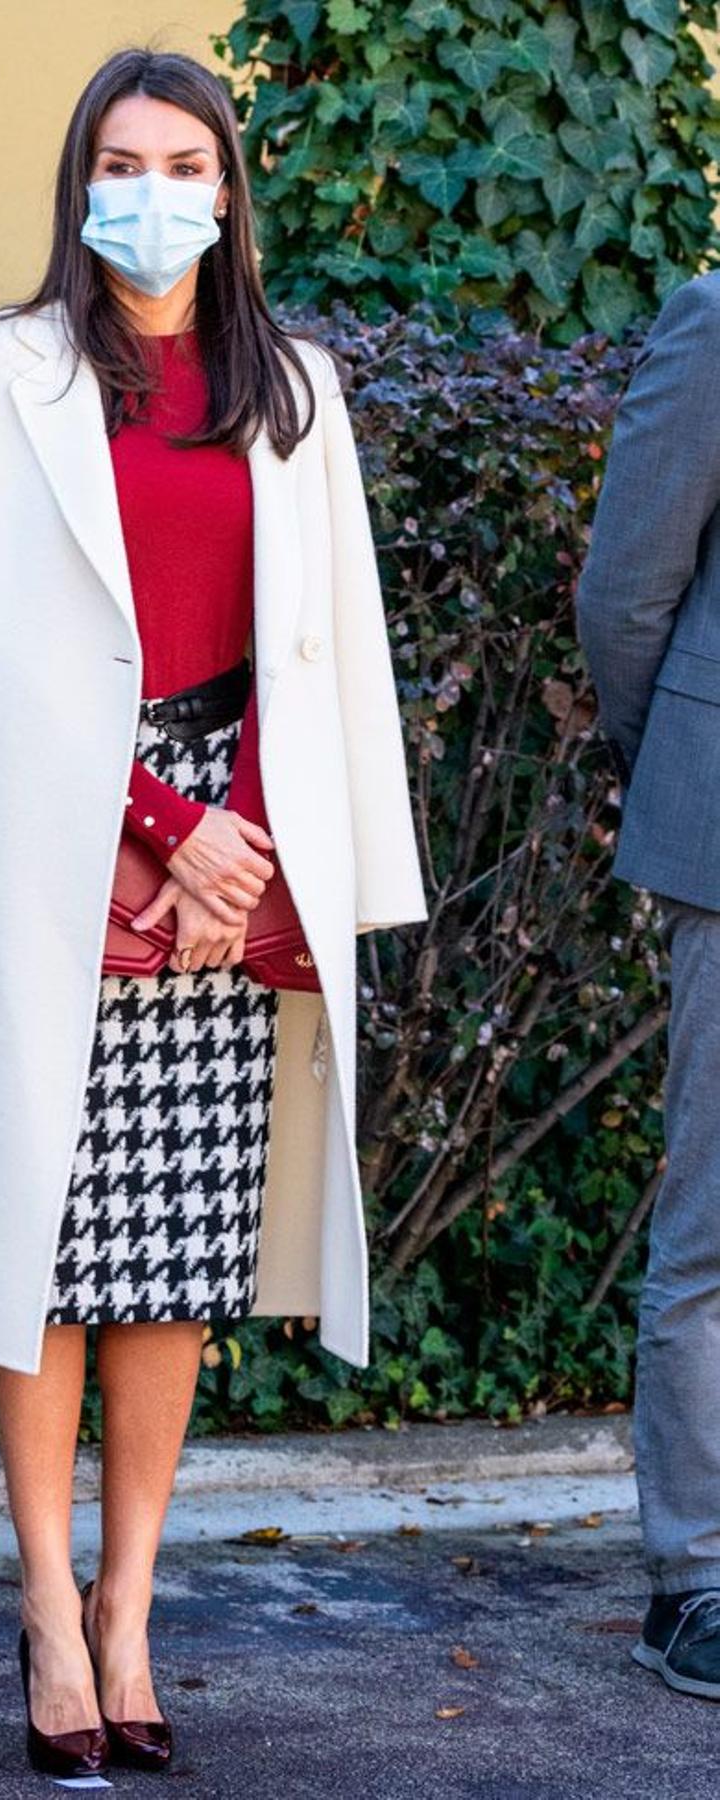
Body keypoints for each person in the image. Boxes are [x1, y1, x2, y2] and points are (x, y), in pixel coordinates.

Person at [0, 45, 425, 1777]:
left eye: (185, 161)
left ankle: (136, 1605)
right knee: (46, 1244)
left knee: (172, 1257)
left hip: (244, 846)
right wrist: (150, 824)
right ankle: (49, 1617)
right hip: (50, 844)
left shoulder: (294, 388)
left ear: (231, 191)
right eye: (122, 159)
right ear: (82, 182)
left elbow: (336, 652)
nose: (151, 189)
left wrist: (272, 847)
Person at [577, 267, 720, 1702]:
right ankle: (696, 1581)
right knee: (719, 1234)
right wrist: (679, 770)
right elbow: (628, 593)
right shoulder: (718, 317)